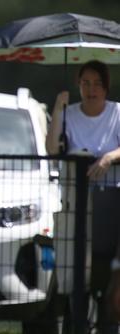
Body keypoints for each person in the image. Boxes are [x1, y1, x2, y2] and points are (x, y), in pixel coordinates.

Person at [46, 60, 120, 333]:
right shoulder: (68, 113)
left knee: (103, 266)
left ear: (106, 87)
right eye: (85, 83)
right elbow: (53, 148)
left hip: (110, 202)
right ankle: (77, 322)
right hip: (75, 202)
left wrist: (109, 158)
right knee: (75, 267)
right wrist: (58, 107)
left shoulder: (117, 112)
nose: (91, 89)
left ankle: (107, 321)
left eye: (97, 83)